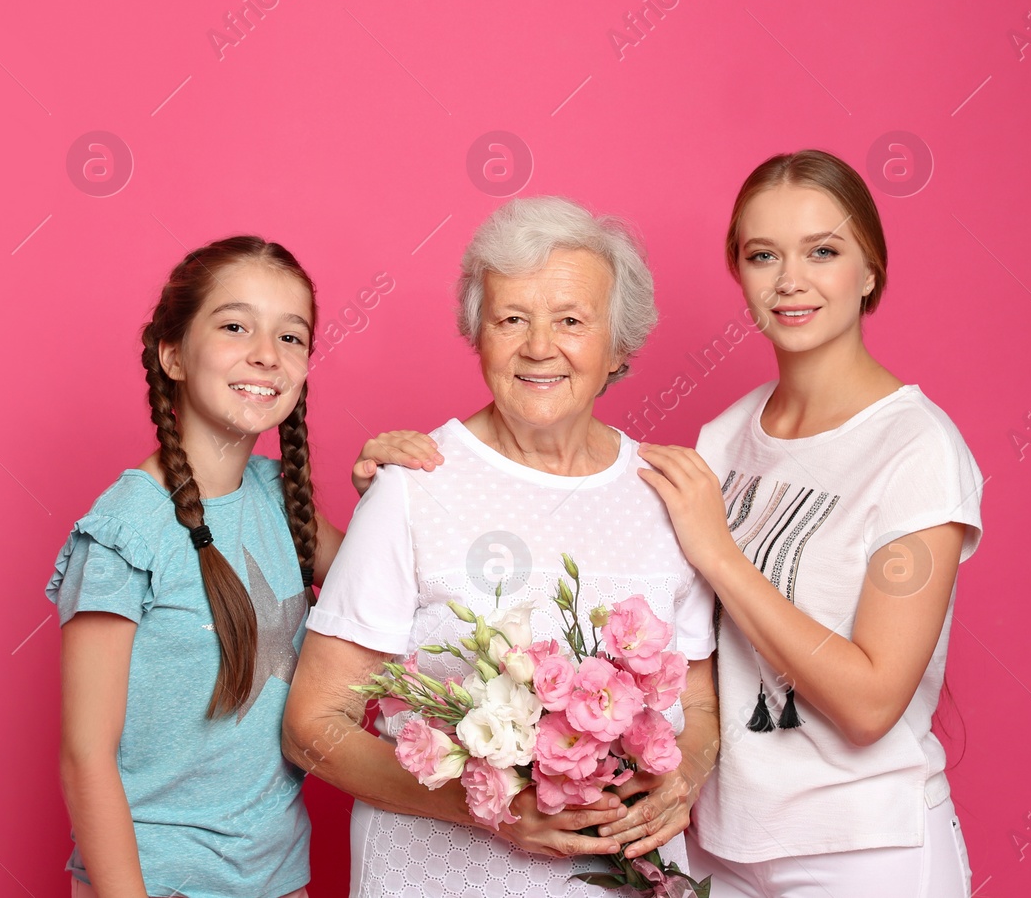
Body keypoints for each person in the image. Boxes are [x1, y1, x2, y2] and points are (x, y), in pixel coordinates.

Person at [283, 197, 720, 897]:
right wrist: (490, 809)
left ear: (618, 345)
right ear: (477, 335)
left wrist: (685, 775)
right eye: (511, 318)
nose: (539, 346)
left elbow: (696, 705)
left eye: (571, 321)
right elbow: (311, 724)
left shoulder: (668, 495)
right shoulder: (415, 487)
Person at [638, 150, 983, 897]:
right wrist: (423, 467)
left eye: (823, 251)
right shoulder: (723, 438)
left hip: (864, 848)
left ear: (869, 271)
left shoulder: (916, 449)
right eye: (764, 255)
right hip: (726, 846)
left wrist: (722, 554)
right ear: (740, 272)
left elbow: (868, 703)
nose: (790, 280)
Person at [48, 235, 426, 898]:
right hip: (156, 882)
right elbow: (86, 756)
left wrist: (389, 497)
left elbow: (396, 602)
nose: (265, 353)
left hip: (277, 879)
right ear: (172, 353)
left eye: (291, 336)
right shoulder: (124, 532)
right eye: (234, 326)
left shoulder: (281, 501)